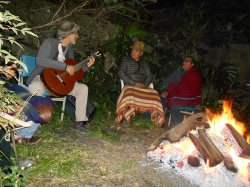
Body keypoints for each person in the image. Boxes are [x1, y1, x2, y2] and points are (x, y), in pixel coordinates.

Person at [26, 21, 95, 134]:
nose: (77, 36)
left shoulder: (70, 49)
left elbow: (72, 71)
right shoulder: (49, 43)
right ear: (69, 33)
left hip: (61, 83)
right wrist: (64, 66)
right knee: (35, 86)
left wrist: (87, 66)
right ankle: (35, 122)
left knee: (82, 88)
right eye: (75, 33)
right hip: (43, 78)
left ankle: (79, 123)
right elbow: (40, 60)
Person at [116, 41, 165, 127]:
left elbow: (149, 76)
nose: (133, 52)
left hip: (143, 86)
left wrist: (145, 85)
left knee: (155, 94)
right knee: (129, 93)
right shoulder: (126, 60)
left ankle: (155, 118)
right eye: (133, 50)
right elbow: (120, 73)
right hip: (130, 85)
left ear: (141, 53)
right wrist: (134, 83)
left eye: (136, 51)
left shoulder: (144, 63)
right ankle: (127, 118)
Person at [160, 56, 202, 126]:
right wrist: (165, 90)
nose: (184, 62)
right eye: (184, 60)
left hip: (189, 99)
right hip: (176, 96)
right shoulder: (178, 72)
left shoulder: (195, 75)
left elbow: (191, 90)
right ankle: (160, 120)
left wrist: (176, 91)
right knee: (161, 98)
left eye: (187, 61)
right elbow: (168, 80)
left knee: (174, 105)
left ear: (192, 64)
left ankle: (178, 125)